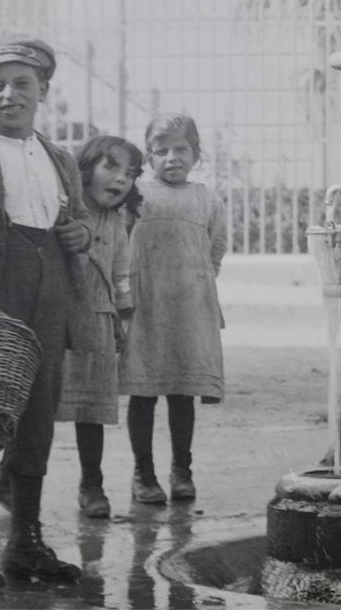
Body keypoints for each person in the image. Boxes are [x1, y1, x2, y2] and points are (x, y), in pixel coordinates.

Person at [0, 33, 95, 592]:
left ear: (44, 91)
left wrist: (80, 233)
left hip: (50, 296)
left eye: (23, 84)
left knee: (37, 414)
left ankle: (25, 541)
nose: (10, 95)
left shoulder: (61, 159)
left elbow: (77, 221)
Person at [120, 113, 227, 503]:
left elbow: (216, 246)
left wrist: (199, 283)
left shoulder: (206, 198)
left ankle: (182, 470)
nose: (172, 158)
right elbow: (119, 242)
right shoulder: (133, 195)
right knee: (143, 391)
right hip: (146, 307)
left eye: (181, 149)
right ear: (148, 157)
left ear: (196, 154)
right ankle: (143, 474)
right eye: (161, 151)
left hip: (188, 310)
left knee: (183, 392)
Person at [56, 135, 144, 518]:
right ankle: (10, 479)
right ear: (84, 169)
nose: (121, 179)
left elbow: (121, 273)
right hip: (58, 318)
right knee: (40, 403)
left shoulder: (116, 222)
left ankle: (91, 484)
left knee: (91, 407)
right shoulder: (64, 214)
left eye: (130, 173)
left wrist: (121, 317)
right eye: (111, 167)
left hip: (98, 319)